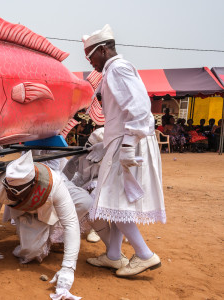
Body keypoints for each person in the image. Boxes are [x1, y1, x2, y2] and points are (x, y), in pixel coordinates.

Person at [82, 24, 166, 277]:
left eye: (91, 56)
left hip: (129, 143)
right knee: (117, 204)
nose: (89, 61)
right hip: (123, 141)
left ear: (104, 49)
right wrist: (105, 142)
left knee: (112, 200)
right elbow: (120, 115)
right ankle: (114, 256)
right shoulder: (114, 70)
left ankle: (144, 255)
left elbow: (139, 108)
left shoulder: (118, 68)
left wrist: (128, 145)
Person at [0, 151, 83, 300]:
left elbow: (70, 223)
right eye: (7, 187)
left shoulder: (53, 183)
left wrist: (68, 269)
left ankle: (53, 234)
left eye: (15, 192)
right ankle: (41, 238)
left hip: (48, 209)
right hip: (24, 212)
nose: (8, 193)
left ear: (32, 186)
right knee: (31, 253)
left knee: (83, 205)